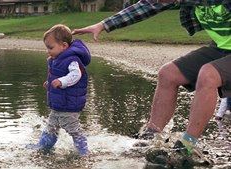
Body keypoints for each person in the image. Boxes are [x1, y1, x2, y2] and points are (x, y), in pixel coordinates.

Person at [72, 0, 231, 166]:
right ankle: (150, 138)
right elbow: (147, 6)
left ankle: (186, 147)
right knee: (168, 74)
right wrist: (104, 25)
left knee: (208, 75)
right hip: (221, 49)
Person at [26, 24, 91, 155]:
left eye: (50, 47)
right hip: (58, 104)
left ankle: (82, 150)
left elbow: (75, 75)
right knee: (51, 127)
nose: (48, 51)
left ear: (64, 46)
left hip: (69, 104)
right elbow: (56, 75)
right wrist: (50, 83)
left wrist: (62, 82)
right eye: (47, 47)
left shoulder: (72, 60)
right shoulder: (56, 59)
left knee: (73, 129)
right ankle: (43, 146)